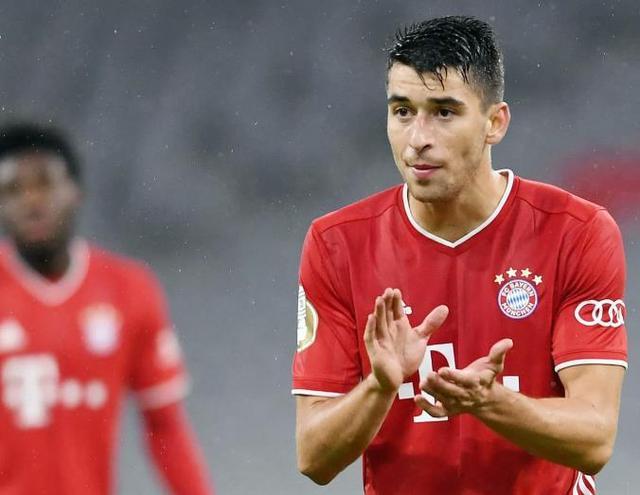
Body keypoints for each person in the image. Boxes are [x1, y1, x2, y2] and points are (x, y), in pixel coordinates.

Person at [292, 16, 626, 495]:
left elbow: (595, 439)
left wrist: (487, 403)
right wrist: (379, 387)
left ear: (495, 123)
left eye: (444, 112)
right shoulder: (336, 244)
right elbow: (313, 458)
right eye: (402, 111)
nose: (417, 138)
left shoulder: (577, 232)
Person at [0, 123, 214, 494]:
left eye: (45, 183)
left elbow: (164, 424)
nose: (32, 202)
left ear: (76, 191)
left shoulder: (127, 289)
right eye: (13, 189)